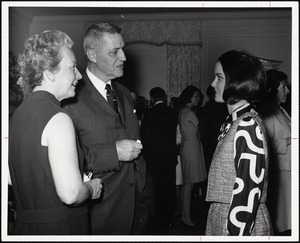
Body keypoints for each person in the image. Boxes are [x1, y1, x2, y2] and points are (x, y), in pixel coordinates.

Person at [62, 23, 154, 235]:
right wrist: (113, 153)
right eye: (114, 52)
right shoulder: (70, 97)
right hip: (103, 212)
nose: (123, 57)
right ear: (92, 55)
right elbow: (65, 162)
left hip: (139, 205)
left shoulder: (122, 91)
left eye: (122, 49)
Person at [8, 29, 102, 235]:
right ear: (49, 72)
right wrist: (92, 188)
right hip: (59, 228)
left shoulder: (16, 116)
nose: (79, 75)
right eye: (73, 67)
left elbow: (10, 178)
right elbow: (71, 194)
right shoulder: (58, 118)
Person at [205, 49, 273, 236]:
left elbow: (248, 191)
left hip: (237, 223)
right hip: (224, 215)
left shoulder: (247, 123)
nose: (213, 84)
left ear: (237, 82)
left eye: (219, 77)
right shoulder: (237, 121)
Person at [258, 69, 291, 236]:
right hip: (281, 171)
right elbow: (265, 144)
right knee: (282, 220)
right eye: (283, 87)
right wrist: (290, 140)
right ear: (273, 90)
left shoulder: (281, 110)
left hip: (288, 170)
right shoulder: (267, 113)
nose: (287, 91)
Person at [140, 87, 178, 231]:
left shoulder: (148, 114)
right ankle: (169, 220)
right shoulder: (172, 112)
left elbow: (145, 138)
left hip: (154, 160)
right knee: (169, 190)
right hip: (169, 158)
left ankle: (157, 223)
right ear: (164, 97)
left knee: (155, 192)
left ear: (152, 98)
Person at [178, 85, 207, 227]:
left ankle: (185, 216)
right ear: (189, 97)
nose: (198, 99)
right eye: (196, 96)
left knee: (187, 186)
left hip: (188, 147)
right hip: (192, 148)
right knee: (189, 186)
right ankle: (187, 218)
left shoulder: (183, 111)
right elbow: (202, 129)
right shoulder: (189, 112)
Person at [197, 86, 228, 172]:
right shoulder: (226, 106)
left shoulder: (207, 107)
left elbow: (202, 127)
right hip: (222, 140)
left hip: (209, 142)